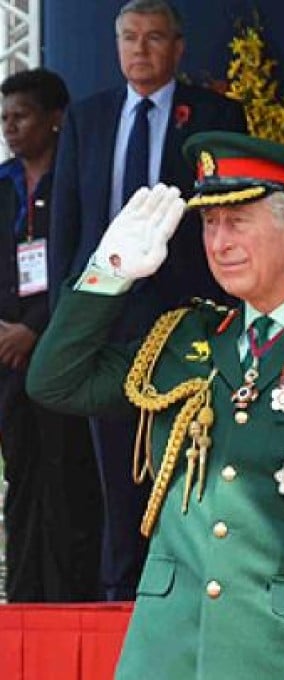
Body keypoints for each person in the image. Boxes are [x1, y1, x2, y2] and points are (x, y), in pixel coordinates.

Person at [27, 132, 284, 678]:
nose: (218, 243)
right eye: (208, 223)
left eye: (237, 221)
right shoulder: (183, 340)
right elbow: (53, 381)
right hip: (167, 656)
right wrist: (110, 269)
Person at [48, 0, 247, 600]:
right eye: (130, 37)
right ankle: (119, 592)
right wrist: (69, 310)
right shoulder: (89, 116)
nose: (141, 49)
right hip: (108, 325)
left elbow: (234, 215)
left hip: (189, 324)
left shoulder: (215, 114)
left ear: (178, 47)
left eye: (154, 37)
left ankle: (184, 591)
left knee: (190, 465)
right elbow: (68, 223)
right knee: (116, 473)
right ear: (116, 45)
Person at [0, 68, 102, 602]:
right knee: (22, 478)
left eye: (21, 116)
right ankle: (22, 601)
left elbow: (85, 260)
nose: (10, 128)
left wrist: (37, 330)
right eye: (4, 119)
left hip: (63, 353)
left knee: (69, 482)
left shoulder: (77, 178)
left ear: (55, 119)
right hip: (8, 360)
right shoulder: (2, 184)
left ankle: (70, 603)